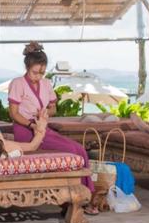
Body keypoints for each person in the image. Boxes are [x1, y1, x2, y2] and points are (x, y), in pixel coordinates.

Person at [8, 42, 95, 198]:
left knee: (80, 150)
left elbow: (53, 108)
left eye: (42, 73)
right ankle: (81, 196)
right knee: (72, 151)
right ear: (27, 67)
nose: (38, 77)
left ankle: (87, 194)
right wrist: (32, 124)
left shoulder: (46, 83)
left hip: (41, 126)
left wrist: (45, 113)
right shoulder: (17, 83)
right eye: (35, 72)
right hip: (26, 130)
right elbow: (14, 114)